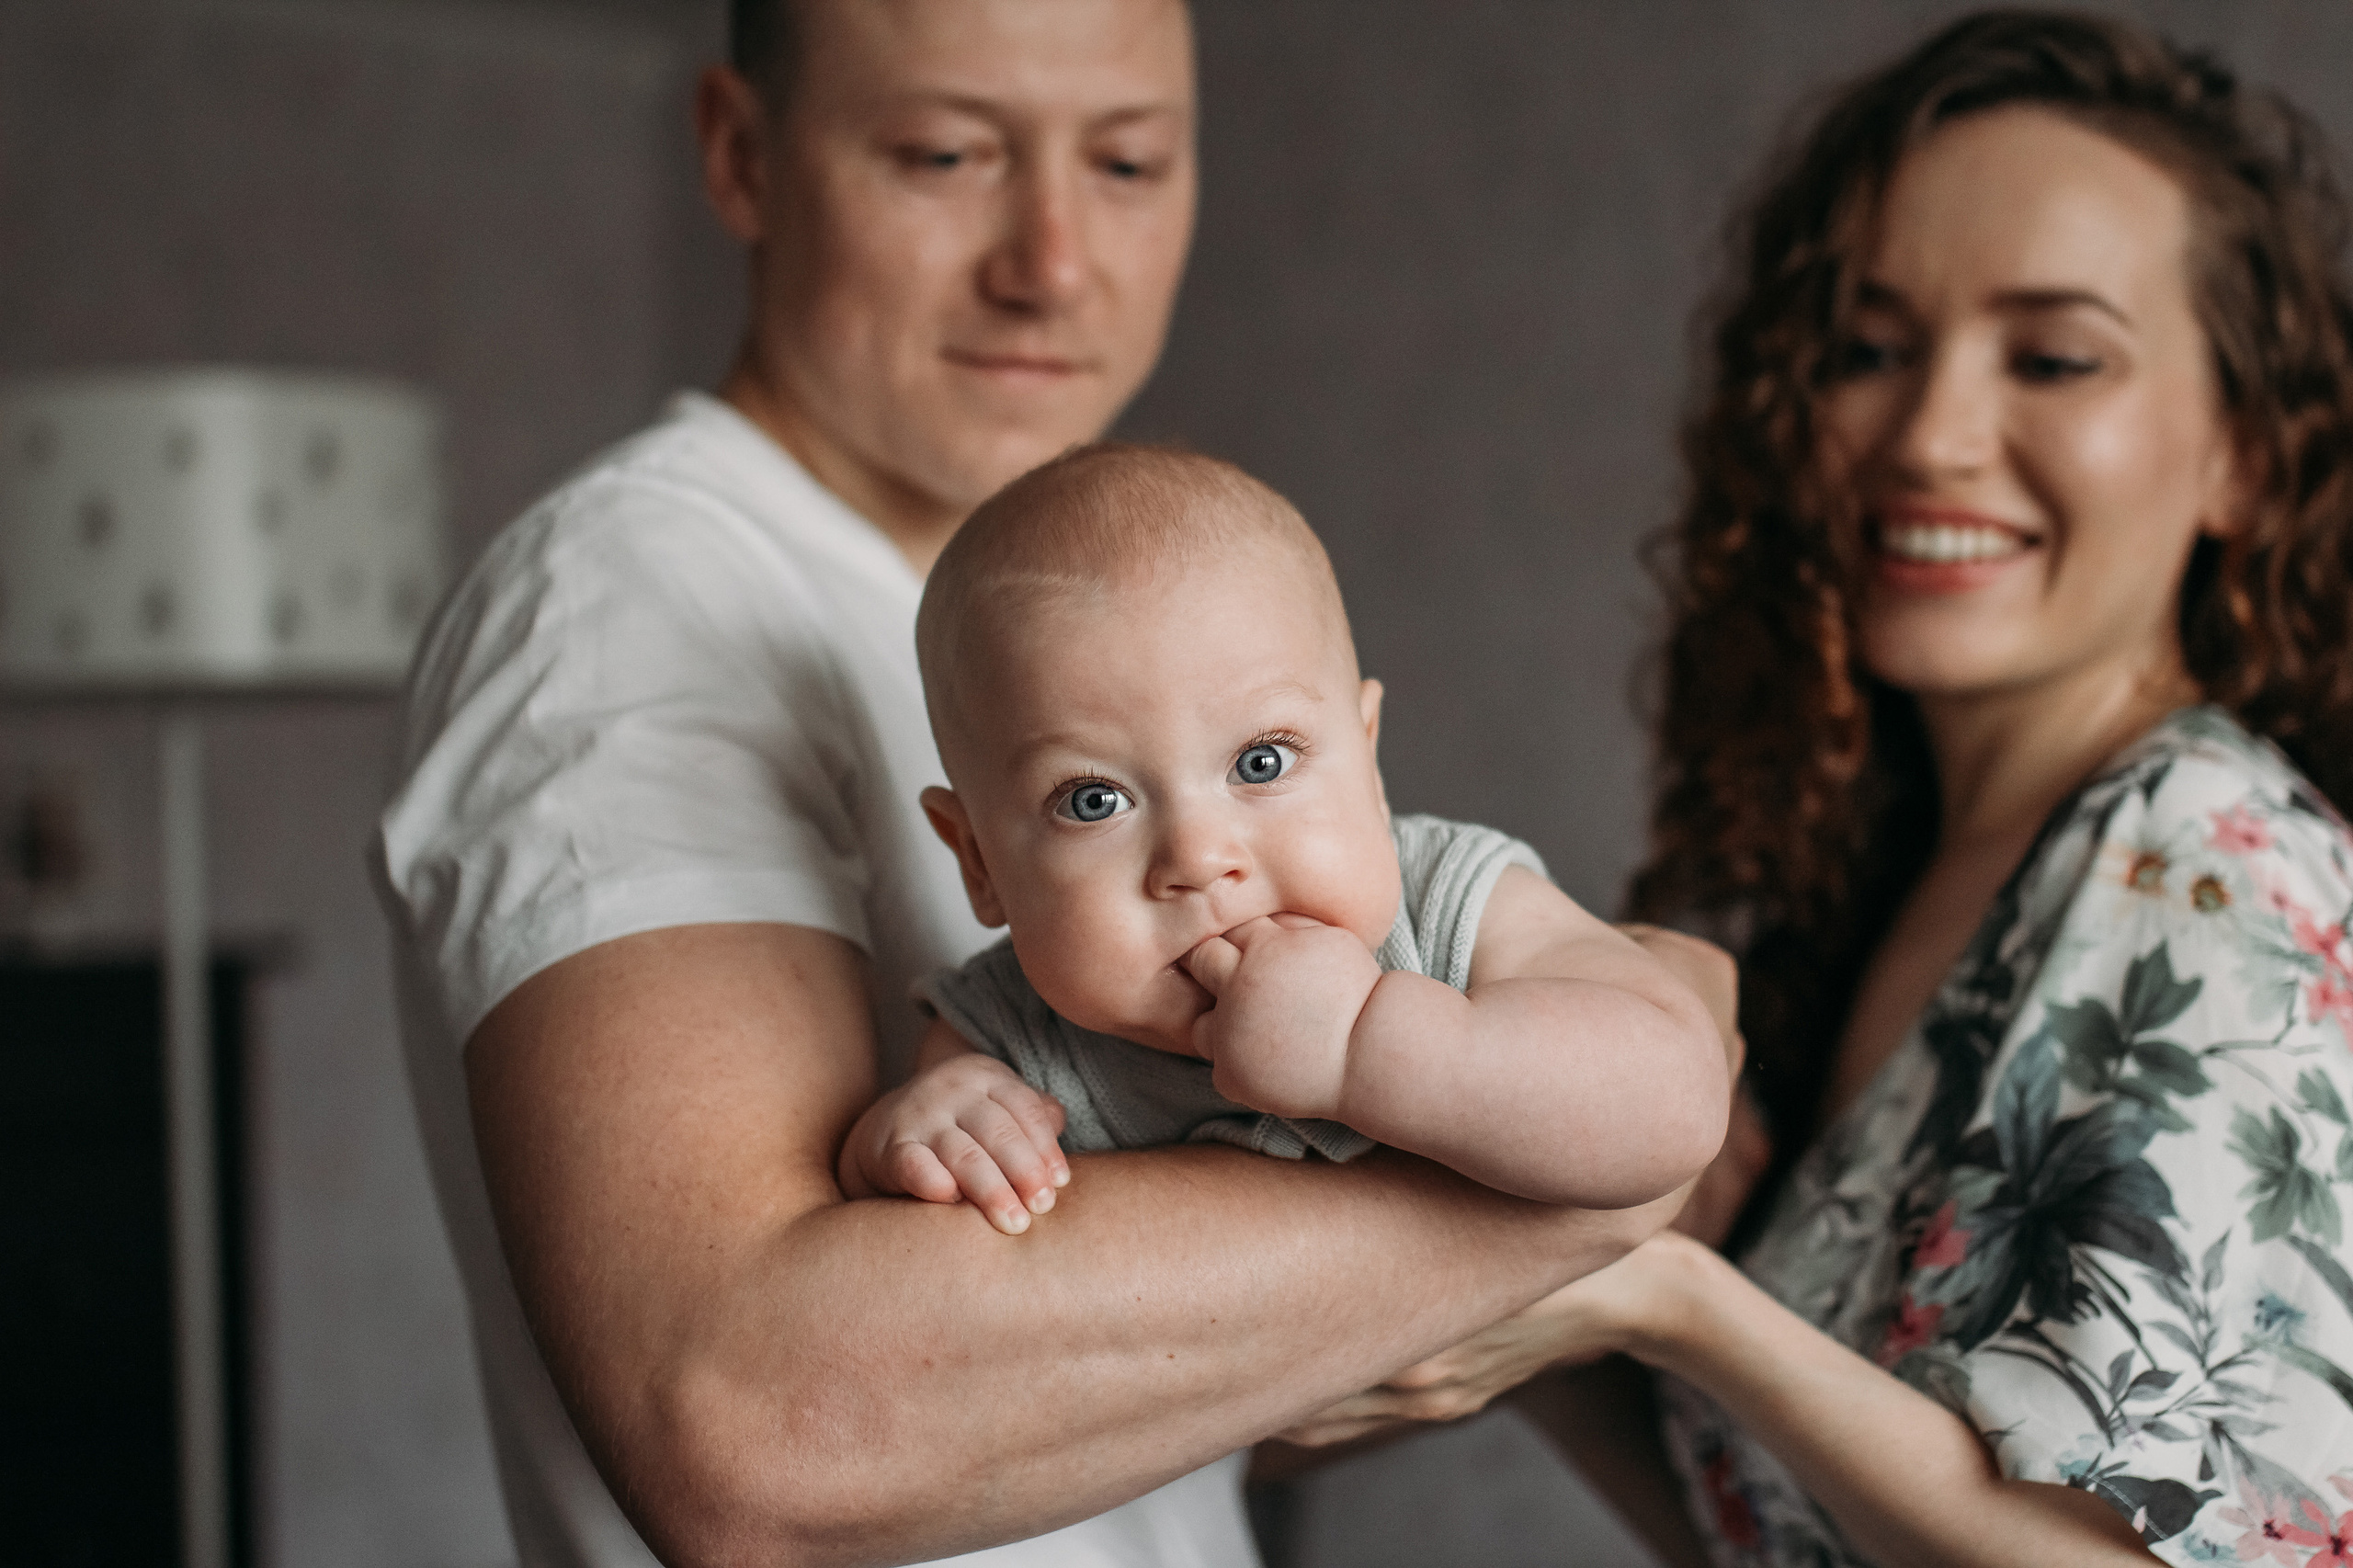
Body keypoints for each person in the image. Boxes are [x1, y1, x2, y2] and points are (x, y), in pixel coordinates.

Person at [372, 5, 1711, 1565]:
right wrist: (1582, 1175)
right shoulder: (633, 605)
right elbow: (753, 1427)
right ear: (742, 155)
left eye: (1131, 161)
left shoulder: (1037, 637)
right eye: (946, 154)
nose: (1056, 262)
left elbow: (1097, 1398)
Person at [1272, 12, 2353, 1568]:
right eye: (1867, 349)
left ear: (2245, 455)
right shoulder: (1903, 878)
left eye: (2052, 357)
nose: (1928, 434)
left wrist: (1664, 1296)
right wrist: (1522, 1309)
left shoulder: (2202, 863)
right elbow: (1784, 1537)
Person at [837, 444, 1729, 1231]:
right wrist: (910, 1138)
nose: (1196, 857)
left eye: (1260, 762)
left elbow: (1676, 1101)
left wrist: (1374, 1047)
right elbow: (898, 1266)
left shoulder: (1452, 907)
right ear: (980, 862)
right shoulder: (1007, 1042)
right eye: (1095, 800)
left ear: (1370, 764)